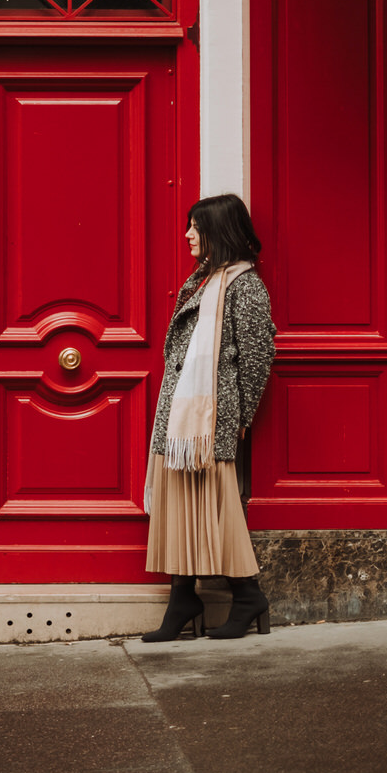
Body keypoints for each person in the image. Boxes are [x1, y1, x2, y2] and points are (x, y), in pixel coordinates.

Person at [142, 193, 277, 642]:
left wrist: (244, 413)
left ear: (219, 230)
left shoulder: (245, 286)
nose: (187, 234)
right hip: (181, 416)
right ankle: (183, 598)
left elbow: (258, 357)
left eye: (196, 227)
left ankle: (247, 596)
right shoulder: (203, 281)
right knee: (178, 500)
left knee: (217, 505)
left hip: (211, 418)